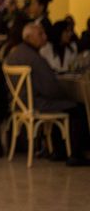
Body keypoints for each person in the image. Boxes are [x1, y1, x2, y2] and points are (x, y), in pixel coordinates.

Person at [5, 23, 90, 166]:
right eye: (40, 34)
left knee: (64, 104)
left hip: (20, 103)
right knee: (77, 107)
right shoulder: (35, 58)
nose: (44, 37)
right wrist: (67, 94)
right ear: (29, 37)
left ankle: (59, 151)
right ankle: (75, 154)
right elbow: (51, 89)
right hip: (35, 103)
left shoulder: (16, 52)